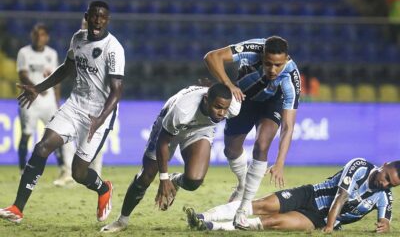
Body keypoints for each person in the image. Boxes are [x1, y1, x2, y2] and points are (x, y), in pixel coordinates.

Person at [0, 0, 124, 223]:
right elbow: (67, 68)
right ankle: (17, 209)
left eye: (102, 17)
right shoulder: (78, 38)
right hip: (75, 105)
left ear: (108, 20)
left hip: (99, 113)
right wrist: (38, 88)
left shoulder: (113, 49)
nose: (97, 20)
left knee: (78, 173)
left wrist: (100, 120)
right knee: (41, 147)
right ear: (87, 16)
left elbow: (116, 92)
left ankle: (103, 188)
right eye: (94, 15)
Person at [100, 84, 241, 233]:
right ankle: (122, 220)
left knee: (194, 180)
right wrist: (163, 178)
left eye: (225, 109)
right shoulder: (182, 110)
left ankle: (176, 180)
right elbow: (163, 142)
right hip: (168, 127)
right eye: (218, 107)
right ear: (206, 100)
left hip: (200, 129)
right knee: (146, 176)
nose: (222, 113)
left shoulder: (233, 108)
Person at [204, 36, 301, 228]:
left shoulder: (291, 78)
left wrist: (280, 163)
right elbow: (211, 57)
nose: (272, 70)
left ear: (287, 59)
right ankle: (242, 184)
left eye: (278, 65)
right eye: (268, 63)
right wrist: (229, 85)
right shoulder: (252, 48)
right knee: (231, 150)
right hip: (244, 96)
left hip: (271, 103)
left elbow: (288, 126)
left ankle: (242, 210)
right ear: (262, 55)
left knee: (261, 146)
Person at [185, 158, 400, 233]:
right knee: (263, 205)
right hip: (310, 195)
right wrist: (329, 228)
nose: (385, 184)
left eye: (391, 184)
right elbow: (340, 198)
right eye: (387, 177)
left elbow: (385, 220)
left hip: (317, 218)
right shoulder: (359, 166)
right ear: (384, 165)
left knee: (272, 222)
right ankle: (204, 216)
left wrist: (384, 225)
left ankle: (213, 227)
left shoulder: (384, 196)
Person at [16, 23, 74, 186]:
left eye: (41, 35)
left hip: (49, 103)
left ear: (46, 37)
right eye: (35, 34)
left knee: (55, 135)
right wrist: (35, 89)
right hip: (30, 102)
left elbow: (57, 79)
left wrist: (56, 101)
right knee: (26, 135)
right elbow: (22, 74)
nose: (38, 37)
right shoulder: (24, 53)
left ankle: (63, 170)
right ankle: (22, 171)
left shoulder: (52, 54)